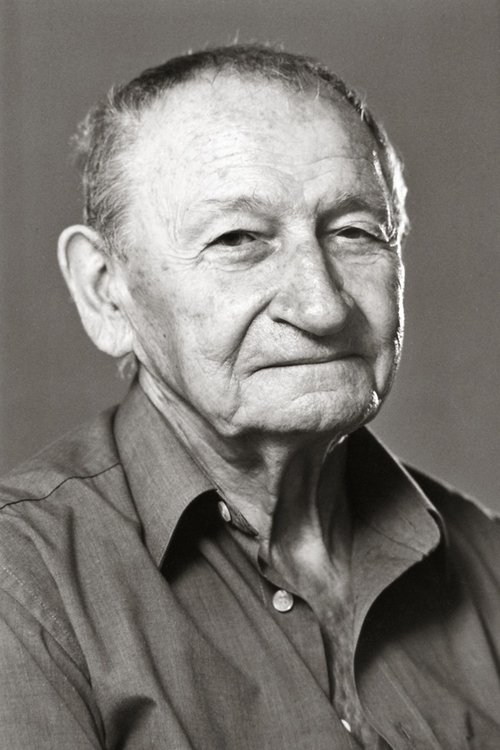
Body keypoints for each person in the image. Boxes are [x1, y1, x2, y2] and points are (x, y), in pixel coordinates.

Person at [0, 44, 499, 750]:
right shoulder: (25, 587)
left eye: (355, 232)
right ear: (107, 292)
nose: (322, 306)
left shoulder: (486, 561)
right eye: (238, 239)